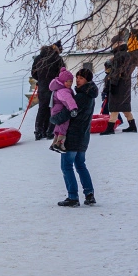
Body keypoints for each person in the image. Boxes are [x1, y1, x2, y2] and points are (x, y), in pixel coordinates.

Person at [58, 68, 99, 207]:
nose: (77, 80)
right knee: (80, 165)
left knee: (66, 166)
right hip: (84, 136)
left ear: (87, 80)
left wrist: (53, 119)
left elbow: (68, 113)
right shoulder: (90, 95)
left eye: (81, 78)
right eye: (77, 77)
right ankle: (89, 194)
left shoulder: (81, 97)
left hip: (73, 136)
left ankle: (73, 197)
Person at [101, 36, 137, 135]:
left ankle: (110, 129)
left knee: (115, 107)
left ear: (117, 44)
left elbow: (116, 71)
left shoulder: (118, 56)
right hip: (125, 84)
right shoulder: (128, 55)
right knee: (124, 107)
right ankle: (132, 126)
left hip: (118, 84)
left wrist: (112, 83)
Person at [32, 41, 66, 140]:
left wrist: (41, 79)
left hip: (42, 87)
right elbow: (62, 74)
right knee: (53, 108)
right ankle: (49, 131)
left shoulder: (38, 58)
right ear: (57, 48)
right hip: (54, 87)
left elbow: (33, 73)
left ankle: (38, 131)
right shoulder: (57, 59)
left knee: (42, 109)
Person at [48, 67, 79, 153]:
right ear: (62, 81)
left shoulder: (59, 89)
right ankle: (60, 144)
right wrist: (73, 109)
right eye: (67, 81)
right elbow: (68, 100)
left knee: (58, 127)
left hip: (55, 111)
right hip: (60, 112)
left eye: (71, 81)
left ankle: (54, 143)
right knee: (63, 127)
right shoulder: (63, 91)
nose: (69, 83)